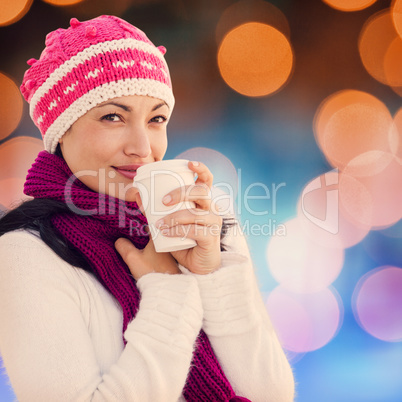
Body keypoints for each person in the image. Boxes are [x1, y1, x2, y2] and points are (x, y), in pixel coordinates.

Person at [0, 15, 294, 402]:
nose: (142, 147)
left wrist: (213, 272)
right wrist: (167, 292)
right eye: (112, 117)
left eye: (156, 119)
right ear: (61, 129)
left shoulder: (203, 227)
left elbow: (271, 395)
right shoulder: (27, 254)